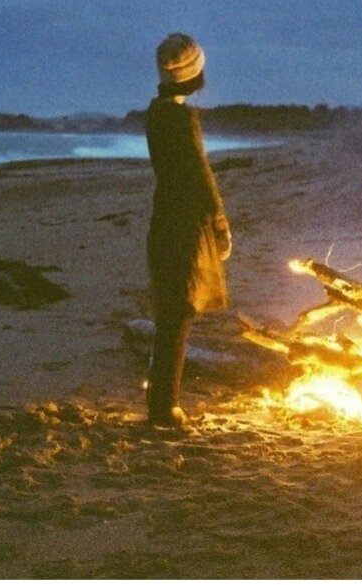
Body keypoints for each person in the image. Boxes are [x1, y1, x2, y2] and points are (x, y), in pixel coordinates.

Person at [144, 32, 232, 427]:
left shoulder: (155, 112)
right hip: (185, 221)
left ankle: (162, 401)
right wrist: (220, 223)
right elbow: (200, 173)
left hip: (164, 216)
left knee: (171, 310)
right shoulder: (182, 118)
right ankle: (165, 407)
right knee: (178, 312)